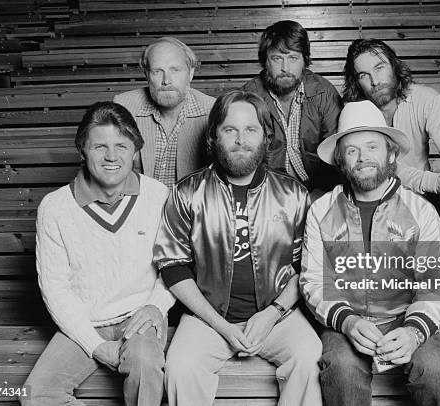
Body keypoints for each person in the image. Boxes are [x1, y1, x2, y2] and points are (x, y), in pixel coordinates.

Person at [154, 90, 322, 406]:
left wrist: (273, 314)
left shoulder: (293, 194)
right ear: (214, 136)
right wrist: (220, 325)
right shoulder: (188, 191)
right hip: (208, 318)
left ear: (265, 137)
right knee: (180, 368)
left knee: (310, 359)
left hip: (278, 317)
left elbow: (306, 269)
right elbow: (172, 264)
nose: (240, 139)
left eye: (250, 130)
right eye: (230, 130)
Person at [299, 100, 440, 406]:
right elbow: (314, 280)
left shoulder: (420, 211)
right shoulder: (321, 211)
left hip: (405, 316)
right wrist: (346, 321)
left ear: (391, 153)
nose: (363, 158)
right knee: (342, 371)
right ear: (341, 161)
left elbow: (437, 283)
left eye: (372, 146)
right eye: (352, 150)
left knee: (436, 371)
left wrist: (414, 332)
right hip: (346, 319)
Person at [22, 102, 175, 406]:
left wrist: (156, 307)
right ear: (82, 151)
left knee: (145, 363)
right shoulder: (54, 207)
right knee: (37, 394)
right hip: (85, 321)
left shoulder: (159, 196)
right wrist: (94, 345)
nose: (111, 156)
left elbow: (175, 266)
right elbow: (56, 290)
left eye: (122, 145)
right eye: (99, 146)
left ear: (136, 150)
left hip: (139, 317)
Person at [342, 38, 440, 324]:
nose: (375, 80)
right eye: (363, 75)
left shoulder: (426, 99)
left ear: (393, 65)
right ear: (356, 81)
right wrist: (434, 180)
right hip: (374, 192)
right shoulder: (356, 110)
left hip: (421, 194)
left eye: (379, 68)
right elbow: (384, 169)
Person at [241, 20, 343, 197]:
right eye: (277, 58)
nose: (285, 68)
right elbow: (244, 155)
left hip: (320, 189)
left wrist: (324, 194)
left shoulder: (324, 93)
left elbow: (338, 151)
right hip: (267, 192)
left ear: (305, 61)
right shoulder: (249, 96)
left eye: (293, 58)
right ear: (265, 61)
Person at [114, 37, 215, 187]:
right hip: (139, 206)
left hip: (191, 208)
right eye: (157, 71)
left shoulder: (213, 111)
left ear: (191, 73)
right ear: (147, 75)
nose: (166, 80)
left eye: (175, 70)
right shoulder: (124, 106)